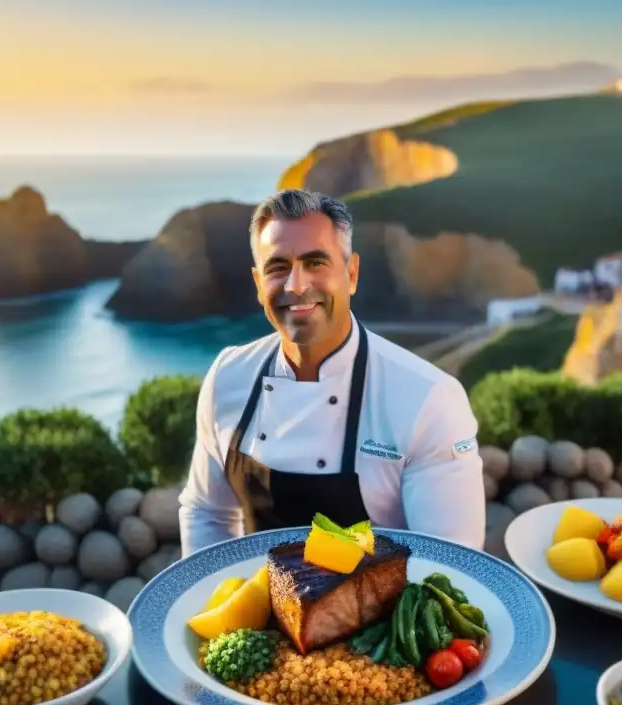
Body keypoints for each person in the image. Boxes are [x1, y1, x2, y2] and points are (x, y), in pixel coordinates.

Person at [177, 189, 485, 557]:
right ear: (259, 285)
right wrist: (211, 600)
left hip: (386, 613)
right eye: (278, 267)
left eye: (315, 262)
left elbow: (450, 561)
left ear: (351, 274)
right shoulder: (228, 377)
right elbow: (207, 512)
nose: (296, 285)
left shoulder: (429, 398)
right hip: (258, 613)